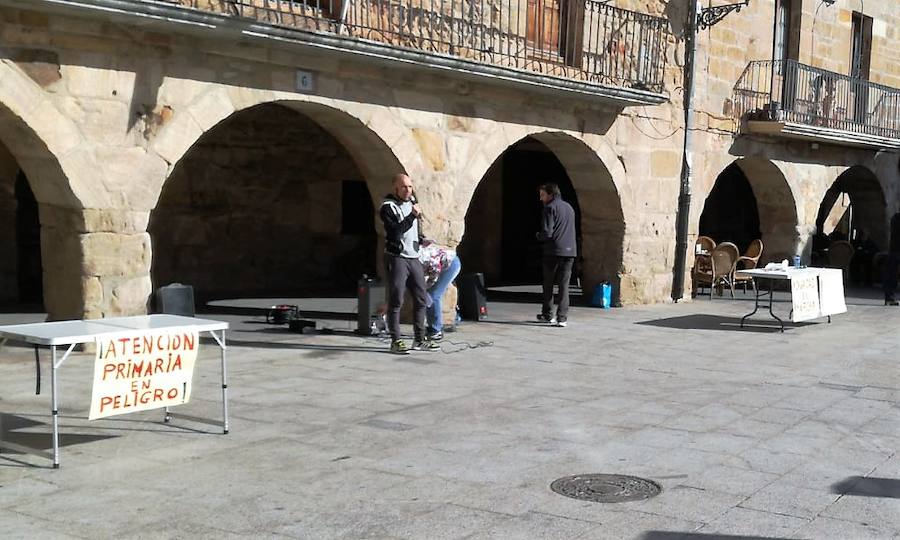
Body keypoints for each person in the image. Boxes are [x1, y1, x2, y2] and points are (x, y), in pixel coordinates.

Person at [380, 174, 440, 353]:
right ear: (396, 188)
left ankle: (419, 339)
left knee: (421, 298)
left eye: (410, 187)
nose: (408, 190)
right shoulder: (388, 207)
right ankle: (395, 341)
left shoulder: (412, 204)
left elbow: (411, 231)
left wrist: (421, 239)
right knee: (396, 299)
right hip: (397, 257)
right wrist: (412, 217)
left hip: (414, 257)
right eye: (404, 187)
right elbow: (395, 233)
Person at [535, 182, 577, 327]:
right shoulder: (569, 208)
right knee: (564, 286)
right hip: (570, 251)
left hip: (553, 251)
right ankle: (562, 318)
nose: (541, 199)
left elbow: (548, 232)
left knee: (548, 284)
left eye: (542, 195)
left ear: (551, 195)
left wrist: (539, 236)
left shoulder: (550, 208)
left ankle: (548, 314)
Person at [419, 240, 462, 341]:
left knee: (433, 295)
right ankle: (432, 326)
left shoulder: (421, 257)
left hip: (451, 264)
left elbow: (435, 268)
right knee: (428, 295)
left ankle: (436, 330)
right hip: (442, 265)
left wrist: (428, 284)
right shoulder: (413, 260)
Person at [884, 213, 900, 306]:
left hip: (894, 250)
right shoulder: (896, 219)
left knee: (891, 274)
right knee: (892, 275)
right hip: (896, 250)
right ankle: (889, 297)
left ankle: (889, 297)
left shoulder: (895, 218)